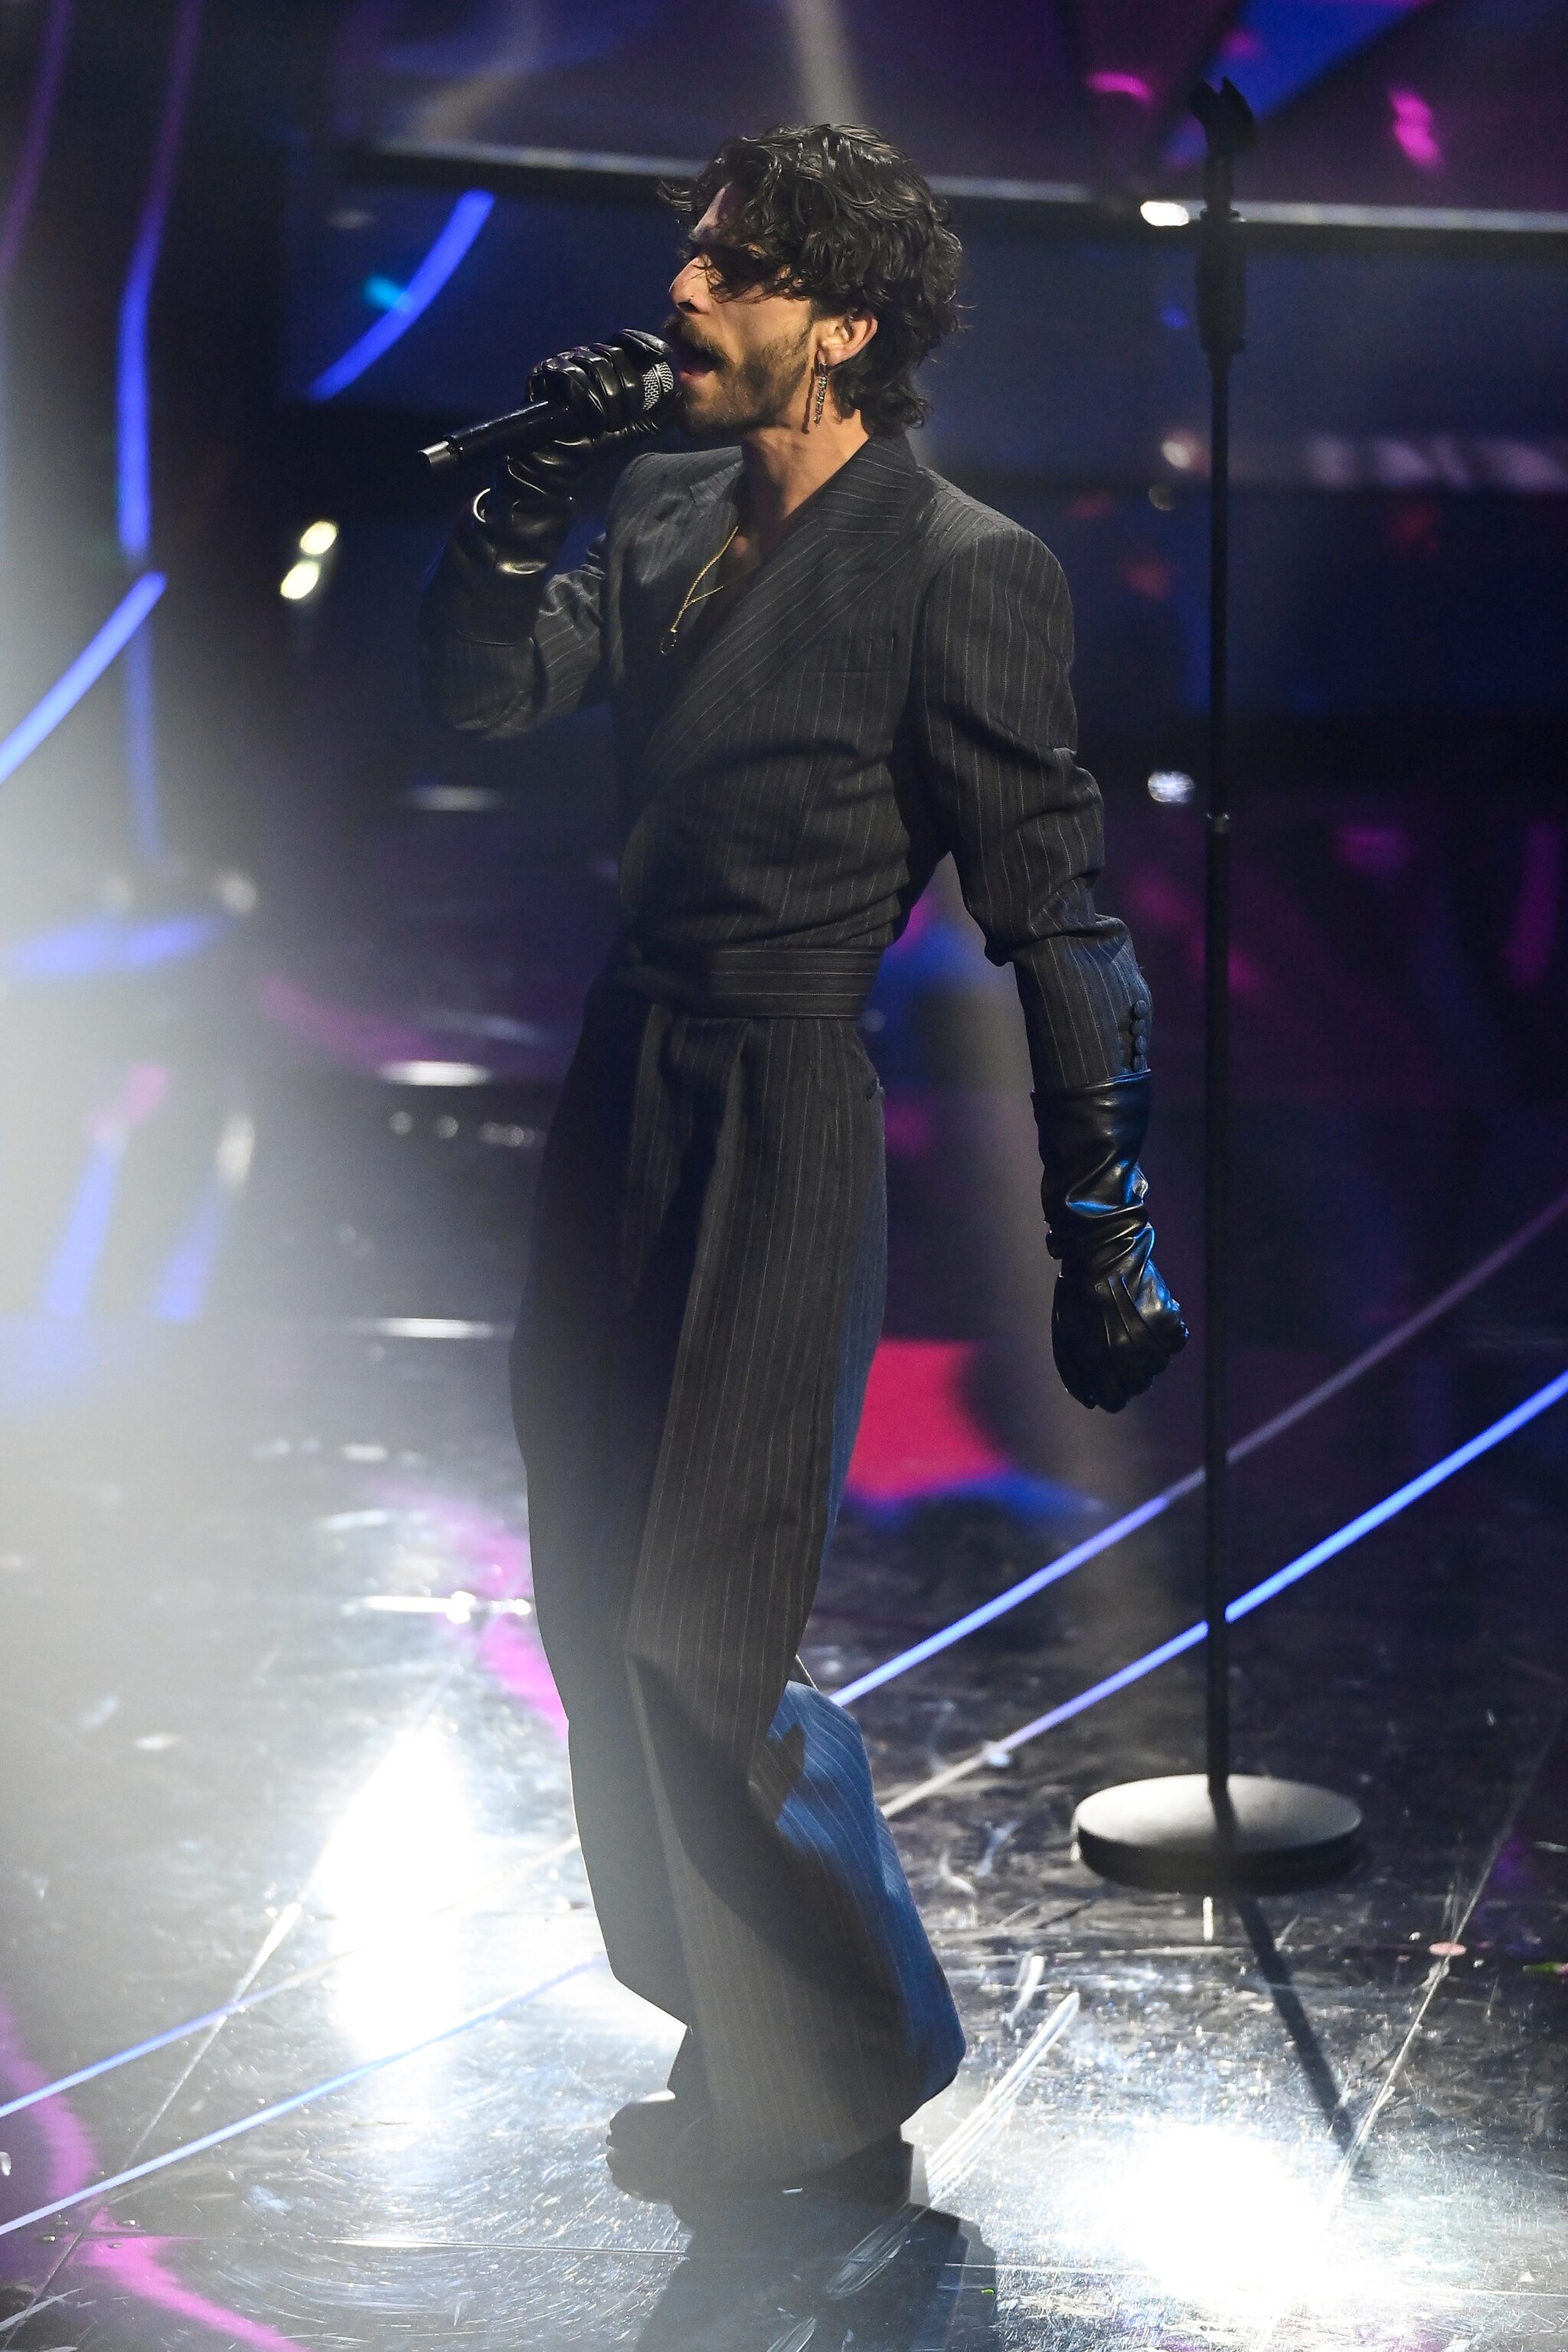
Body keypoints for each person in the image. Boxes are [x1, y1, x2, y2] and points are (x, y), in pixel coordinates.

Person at [420, 123, 1186, 2213]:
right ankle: (753, 2026)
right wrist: (515, 508)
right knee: (594, 1606)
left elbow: (1060, 922)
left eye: (736, 267)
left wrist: (1104, 1231)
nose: (684, 289)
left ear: (840, 326)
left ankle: (841, 2075)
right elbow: (486, 697)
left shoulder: (958, 567)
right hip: (627, 1078)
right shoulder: (669, 502)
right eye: (692, 253)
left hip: (780, 1105)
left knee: (699, 1632)